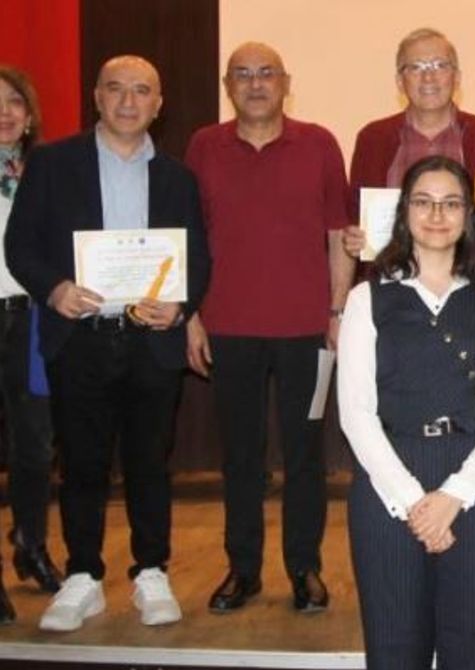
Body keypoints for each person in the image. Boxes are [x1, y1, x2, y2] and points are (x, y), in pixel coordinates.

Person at [5, 55, 211, 631]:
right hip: (80, 339)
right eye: (115, 89)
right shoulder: (53, 164)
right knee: (81, 463)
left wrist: (182, 305)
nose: (128, 101)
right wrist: (54, 289)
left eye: (141, 90)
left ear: (158, 104)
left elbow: (198, 255)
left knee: (150, 462)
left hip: (151, 339)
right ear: (96, 97)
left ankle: (152, 571)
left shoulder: (177, 177)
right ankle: (83, 575)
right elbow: (20, 245)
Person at [339, 155, 475, 670]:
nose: (437, 215)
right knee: (395, 644)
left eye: (450, 203)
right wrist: (413, 501)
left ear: (469, 215)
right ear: (404, 213)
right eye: (423, 202)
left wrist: (455, 495)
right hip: (388, 478)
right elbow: (355, 411)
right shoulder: (368, 298)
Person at [185, 42, 354, 614]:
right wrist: (192, 315)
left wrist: (337, 312)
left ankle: (305, 568)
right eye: (243, 74)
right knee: (240, 456)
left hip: (308, 332)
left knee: (306, 455)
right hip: (228, 328)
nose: (255, 84)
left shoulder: (320, 143)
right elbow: (189, 237)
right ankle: (243, 569)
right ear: (228, 86)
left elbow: (338, 234)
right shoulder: (204, 146)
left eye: (266, 74)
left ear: (286, 82)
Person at [346, 28, 475, 258]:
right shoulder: (373, 139)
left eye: (439, 65)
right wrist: (354, 237)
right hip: (391, 272)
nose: (428, 77)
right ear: (399, 81)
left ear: (457, 77)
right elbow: (353, 215)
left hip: (469, 273)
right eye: (416, 67)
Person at [0, 65, 60, 623]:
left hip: (33, 318)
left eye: (15, 101)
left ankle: (30, 541)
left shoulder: (46, 170)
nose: (5, 112)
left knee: (36, 445)